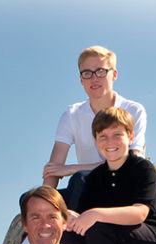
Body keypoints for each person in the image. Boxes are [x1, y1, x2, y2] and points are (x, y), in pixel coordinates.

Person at [60, 107, 156, 244]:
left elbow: (139, 213)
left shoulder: (142, 168)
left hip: (150, 243)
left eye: (117, 135)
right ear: (96, 140)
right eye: (103, 136)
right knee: (66, 233)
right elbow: (84, 218)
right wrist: (69, 216)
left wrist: (96, 214)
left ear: (131, 137)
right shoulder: (95, 177)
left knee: (97, 226)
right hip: (111, 240)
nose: (110, 142)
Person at [43, 45, 147, 209]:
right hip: (87, 189)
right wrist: (42, 203)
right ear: (81, 80)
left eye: (101, 71)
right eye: (87, 73)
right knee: (29, 200)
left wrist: (71, 169)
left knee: (80, 179)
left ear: (114, 74)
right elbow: (53, 169)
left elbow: (130, 162)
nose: (94, 78)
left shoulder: (134, 110)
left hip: (123, 187)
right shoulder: (72, 114)